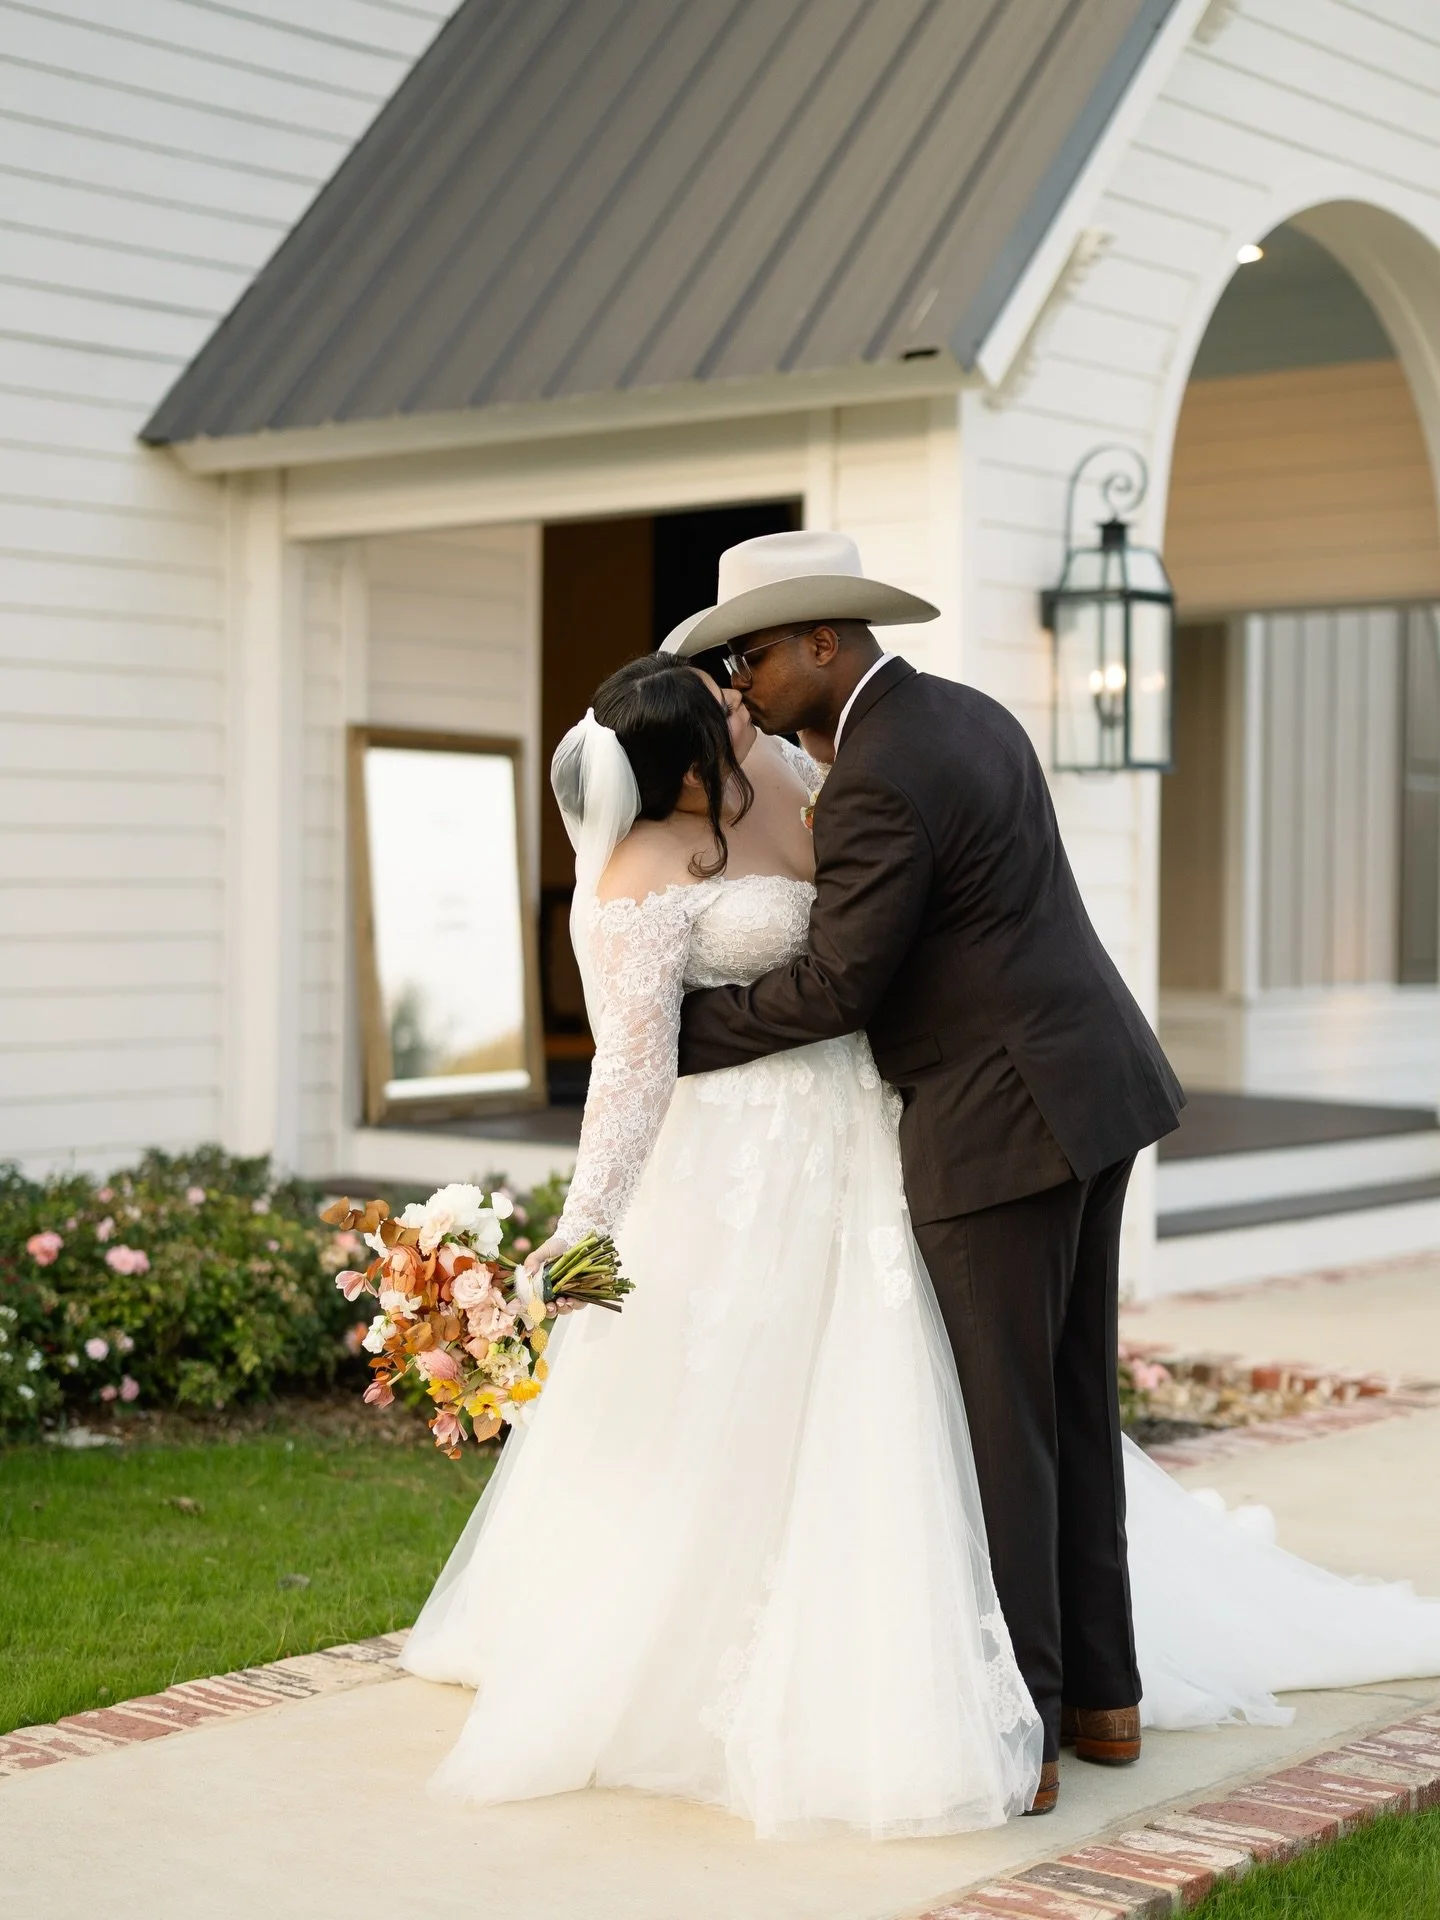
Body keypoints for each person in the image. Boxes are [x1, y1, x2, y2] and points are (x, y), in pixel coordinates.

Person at [402, 543, 1440, 1834]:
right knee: (1059, 1407)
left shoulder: (878, 769)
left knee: (1006, 1426)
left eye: (757, 656)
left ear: (824, 641)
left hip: (999, 1121)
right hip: (1086, 1092)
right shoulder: (959, 715)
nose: (745, 683)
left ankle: (1035, 1722)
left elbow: (841, 985)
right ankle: (1104, 1698)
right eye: (727, 670)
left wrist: (672, 1047)